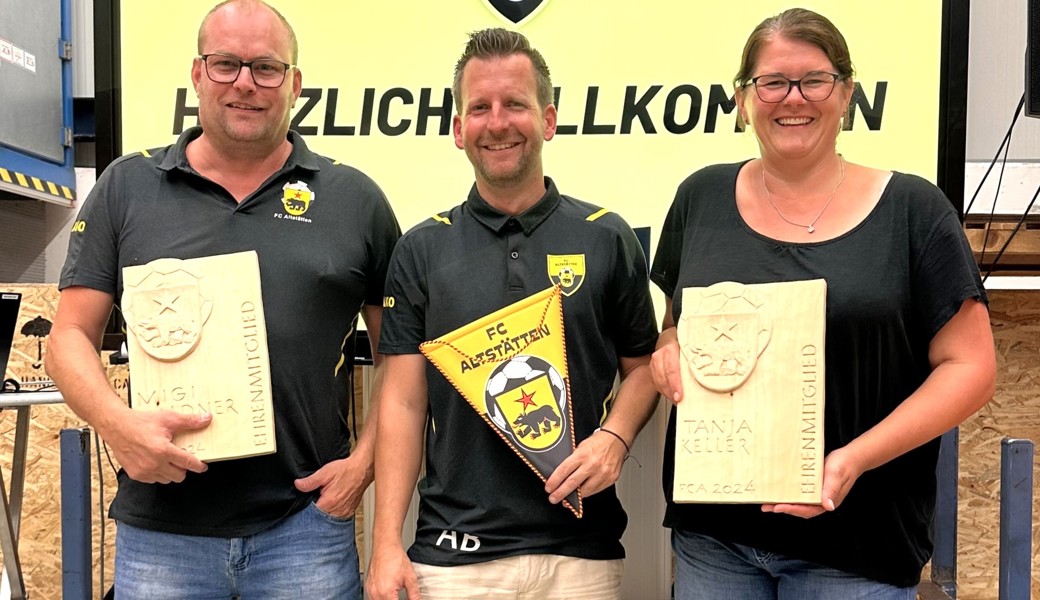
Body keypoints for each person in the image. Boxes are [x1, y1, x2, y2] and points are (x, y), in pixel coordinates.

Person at [45, 1, 400, 598]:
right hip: (162, 534)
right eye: (226, 64)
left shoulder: (355, 199)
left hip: (306, 528)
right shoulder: (126, 187)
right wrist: (116, 425)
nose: (245, 83)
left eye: (266, 68)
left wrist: (364, 465)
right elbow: (68, 337)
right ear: (197, 73)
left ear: (295, 83)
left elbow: (403, 355)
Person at [649, 8, 996, 599]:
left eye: (814, 80)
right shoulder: (699, 198)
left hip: (856, 547)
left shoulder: (913, 210)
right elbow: (675, 327)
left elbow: (972, 368)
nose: (793, 98)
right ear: (743, 99)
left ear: (847, 94)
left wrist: (854, 459)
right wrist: (668, 350)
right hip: (715, 543)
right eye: (772, 82)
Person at [365, 28, 659, 600]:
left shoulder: (607, 236)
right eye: (480, 108)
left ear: (548, 120)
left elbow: (644, 367)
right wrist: (384, 545)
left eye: (515, 104)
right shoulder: (422, 248)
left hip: (582, 554)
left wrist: (615, 438)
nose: (497, 123)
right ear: (458, 129)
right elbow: (401, 402)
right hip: (453, 559)